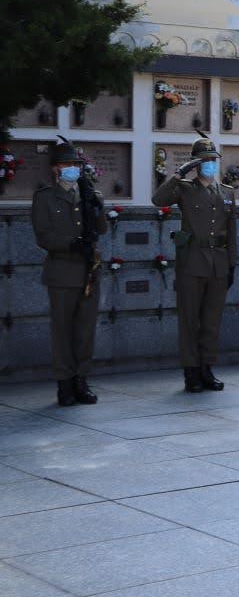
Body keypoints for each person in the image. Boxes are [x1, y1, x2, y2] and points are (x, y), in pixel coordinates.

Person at [152, 137, 234, 392]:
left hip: (218, 263)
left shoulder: (227, 192)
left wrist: (232, 264)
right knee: (189, 320)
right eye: (204, 160)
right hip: (192, 262)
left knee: (211, 320)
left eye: (213, 160)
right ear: (196, 164)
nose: (210, 164)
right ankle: (191, 372)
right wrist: (179, 173)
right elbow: (158, 199)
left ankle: (207, 368)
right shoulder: (185, 188)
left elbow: (231, 231)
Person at [31, 139, 104, 406]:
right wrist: (71, 243)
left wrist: (95, 205)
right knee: (62, 331)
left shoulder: (90, 194)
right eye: (67, 164)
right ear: (55, 168)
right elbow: (43, 236)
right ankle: (64, 383)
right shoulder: (45, 197)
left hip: (88, 272)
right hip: (62, 270)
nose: (73, 168)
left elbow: (102, 229)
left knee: (85, 330)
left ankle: (81, 380)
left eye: (76, 164)